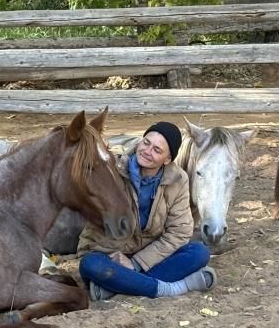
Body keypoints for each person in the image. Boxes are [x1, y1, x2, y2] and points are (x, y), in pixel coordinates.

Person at [78, 121, 216, 301]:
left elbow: (179, 232)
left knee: (199, 252)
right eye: (146, 143)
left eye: (157, 150)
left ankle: (116, 287)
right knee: (91, 265)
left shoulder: (178, 179)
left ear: (167, 160)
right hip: (108, 253)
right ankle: (174, 288)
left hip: (150, 256)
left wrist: (135, 263)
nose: (147, 151)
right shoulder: (112, 166)